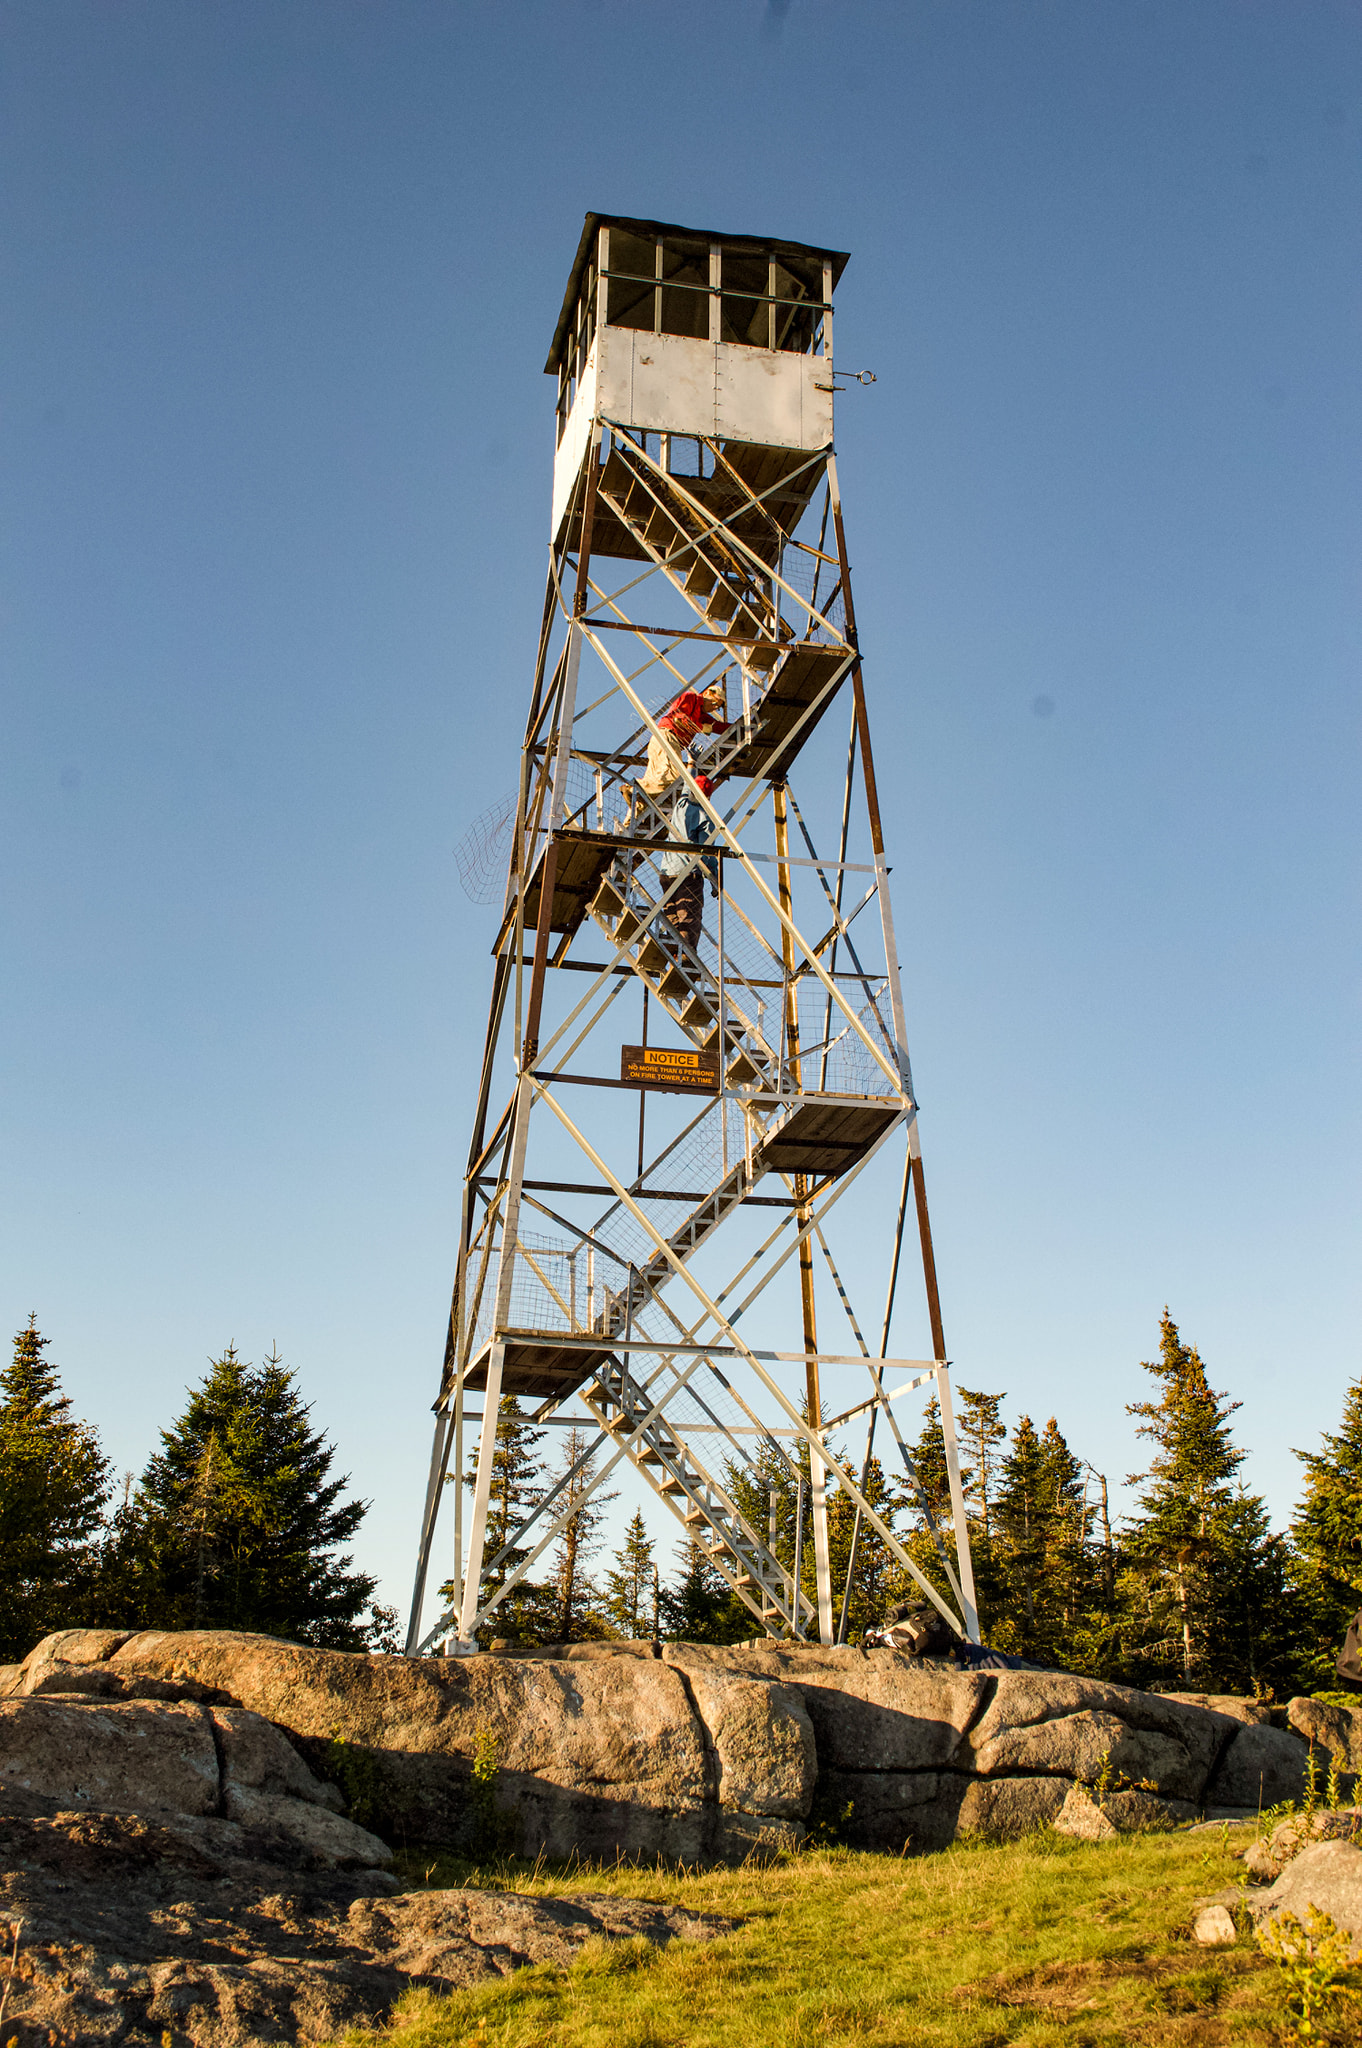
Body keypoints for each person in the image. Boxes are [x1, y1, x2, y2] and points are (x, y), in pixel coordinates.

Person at [637, 680, 729, 803]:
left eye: (717, 707)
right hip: (668, 737)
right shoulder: (691, 698)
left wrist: (744, 726)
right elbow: (678, 718)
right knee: (674, 776)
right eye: (714, 703)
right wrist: (701, 727)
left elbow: (718, 726)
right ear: (707, 693)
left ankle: (631, 815)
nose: (714, 708)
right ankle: (635, 790)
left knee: (656, 778)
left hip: (664, 741)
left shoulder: (702, 715)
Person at [658, 773, 720, 950]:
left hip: (667, 871)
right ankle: (685, 956)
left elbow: (687, 783)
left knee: (672, 914)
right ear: (707, 796)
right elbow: (707, 853)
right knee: (688, 916)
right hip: (688, 873)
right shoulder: (705, 817)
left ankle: (673, 952)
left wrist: (691, 764)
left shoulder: (681, 804)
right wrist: (715, 880)